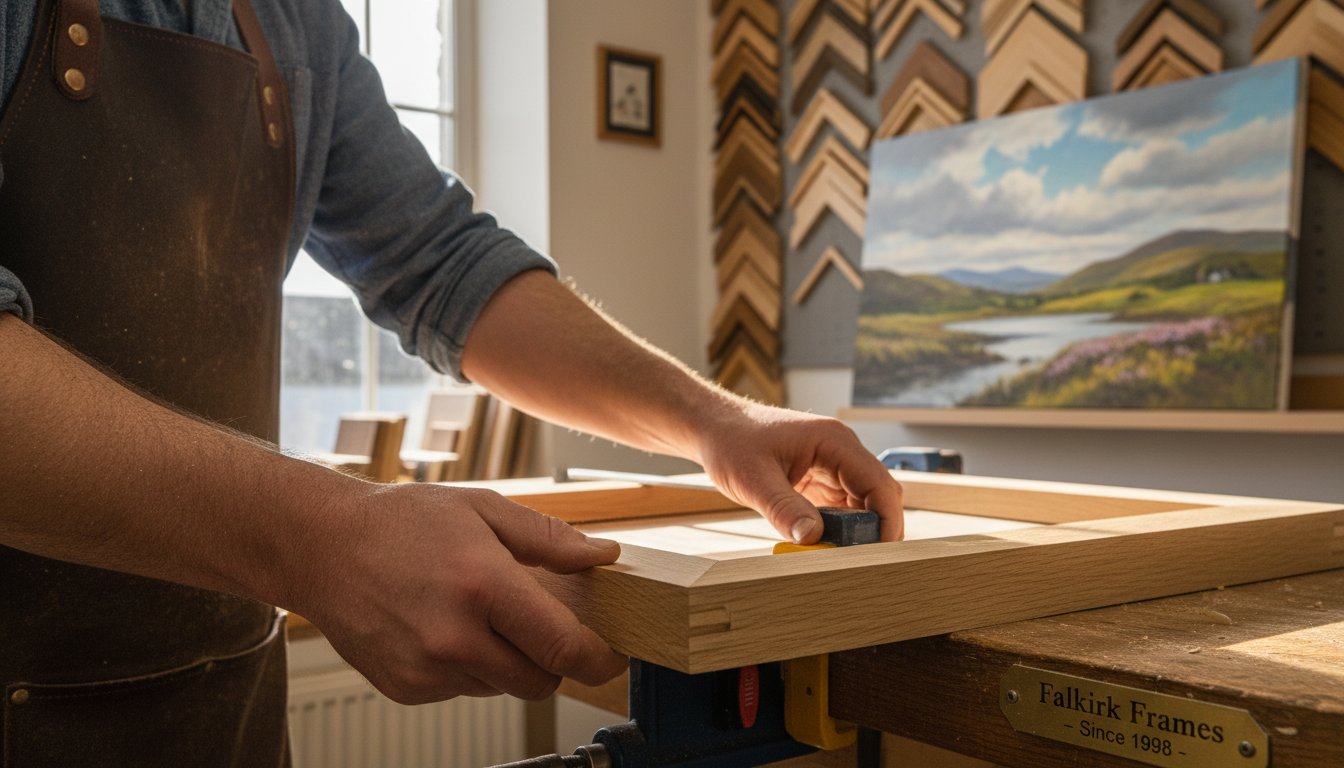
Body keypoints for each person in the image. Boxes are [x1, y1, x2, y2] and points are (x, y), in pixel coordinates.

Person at [0, 0, 904, 764]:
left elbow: (439, 260)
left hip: (224, 701)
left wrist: (715, 423)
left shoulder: (292, 19)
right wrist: (322, 537)